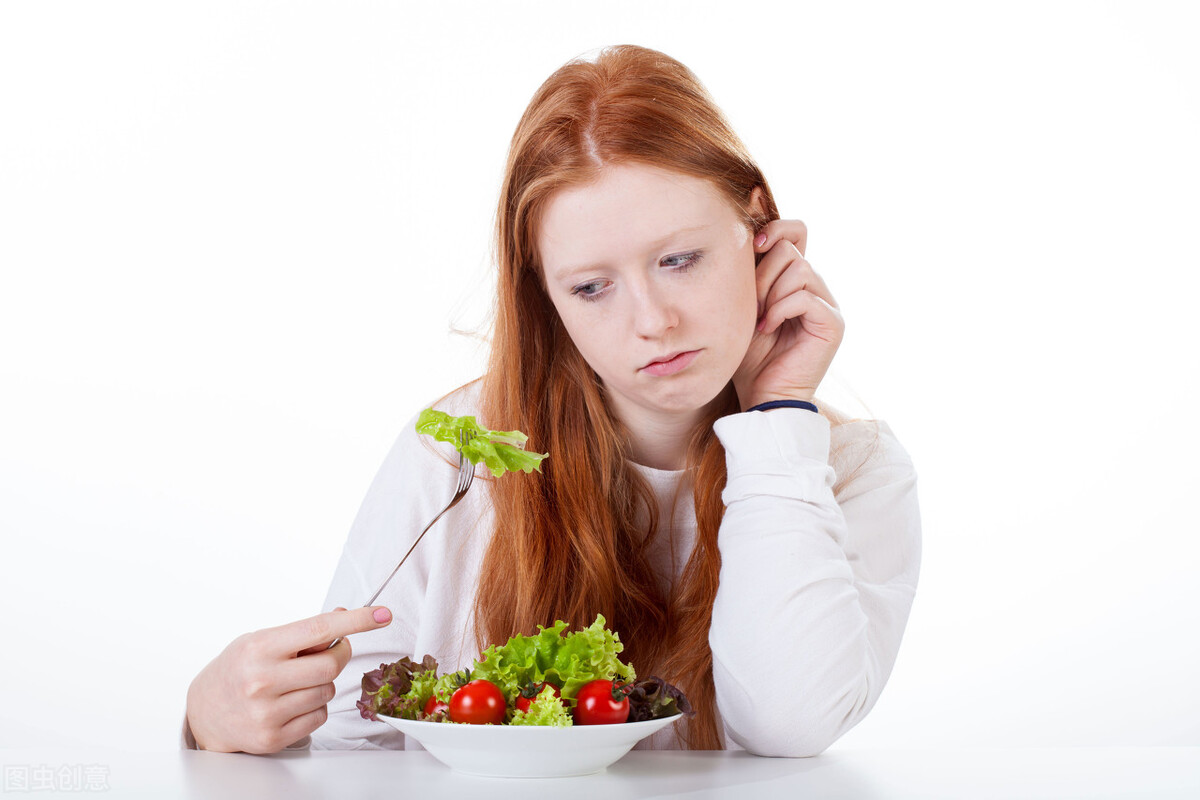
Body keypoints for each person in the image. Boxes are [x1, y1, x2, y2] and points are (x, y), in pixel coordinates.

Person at [183, 44, 921, 756]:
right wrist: (208, 720)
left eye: (679, 260)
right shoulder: (459, 452)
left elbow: (789, 728)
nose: (652, 321)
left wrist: (779, 415)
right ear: (546, 295)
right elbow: (349, 734)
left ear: (758, 226)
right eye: (592, 287)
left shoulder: (852, 471)